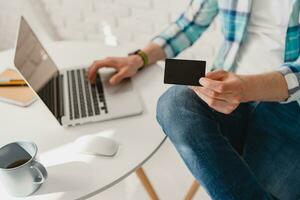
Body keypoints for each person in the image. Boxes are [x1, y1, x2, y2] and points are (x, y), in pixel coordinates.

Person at [88, 0, 300, 199]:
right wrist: (139, 58)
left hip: (290, 106)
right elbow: (191, 21)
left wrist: (247, 88)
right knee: (175, 103)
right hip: (227, 90)